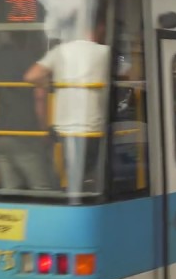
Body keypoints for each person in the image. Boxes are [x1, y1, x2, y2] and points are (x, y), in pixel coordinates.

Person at [24, 18, 111, 197]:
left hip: (63, 128)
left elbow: (31, 76)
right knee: (90, 175)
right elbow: (127, 74)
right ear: (100, 27)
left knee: (67, 175)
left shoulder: (60, 51)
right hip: (92, 126)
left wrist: (51, 86)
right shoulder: (106, 52)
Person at [0, 31, 52, 191]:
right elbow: (40, 98)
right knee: (42, 189)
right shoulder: (32, 61)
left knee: (10, 191)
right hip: (25, 136)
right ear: (29, 38)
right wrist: (44, 130)